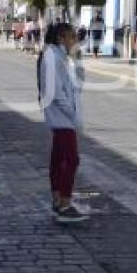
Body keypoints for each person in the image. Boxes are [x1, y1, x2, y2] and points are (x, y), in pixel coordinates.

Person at [38, 23, 88, 223]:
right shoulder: (52, 57)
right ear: (61, 38)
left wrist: (79, 62)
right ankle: (65, 204)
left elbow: (78, 85)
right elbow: (57, 94)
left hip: (63, 117)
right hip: (62, 118)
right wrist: (73, 116)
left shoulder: (61, 58)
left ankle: (58, 198)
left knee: (59, 158)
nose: (75, 41)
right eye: (72, 37)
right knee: (71, 159)